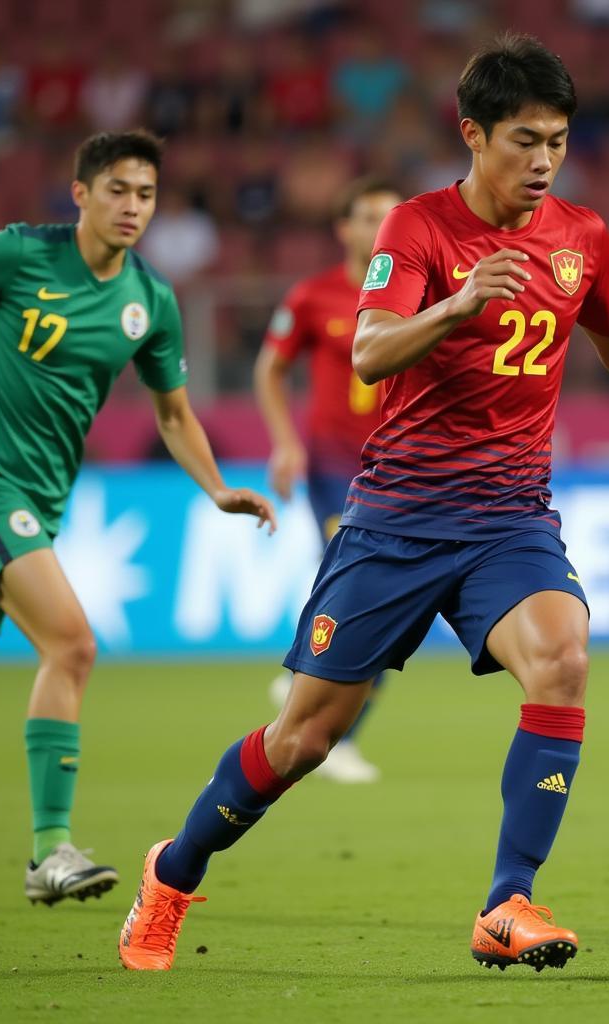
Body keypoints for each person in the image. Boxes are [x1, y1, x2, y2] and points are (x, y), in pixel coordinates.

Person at [119, 34, 609, 974]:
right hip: (394, 521)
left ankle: (506, 902)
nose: (544, 160)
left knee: (563, 657)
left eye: (557, 139)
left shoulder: (580, 237)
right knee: (305, 738)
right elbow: (369, 352)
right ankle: (174, 873)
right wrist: (457, 306)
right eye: (524, 140)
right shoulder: (418, 231)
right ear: (472, 134)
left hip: (510, 520)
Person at [0, 130, 277, 908]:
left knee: (64, 649)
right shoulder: (17, 256)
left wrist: (216, 489)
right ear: (79, 193)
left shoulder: (148, 300)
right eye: (117, 190)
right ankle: (50, 849)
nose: (132, 207)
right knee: (71, 644)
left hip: (40, 498)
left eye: (145, 195)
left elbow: (175, 415)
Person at [254, 176, 402, 783]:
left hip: (400, 466)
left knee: (397, 602)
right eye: (369, 217)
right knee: (367, 582)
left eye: (391, 217)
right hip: (335, 466)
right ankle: (315, 704)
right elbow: (270, 370)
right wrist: (285, 444)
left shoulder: (419, 293)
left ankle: (316, 701)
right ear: (344, 227)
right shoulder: (313, 296)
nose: (380, 228)